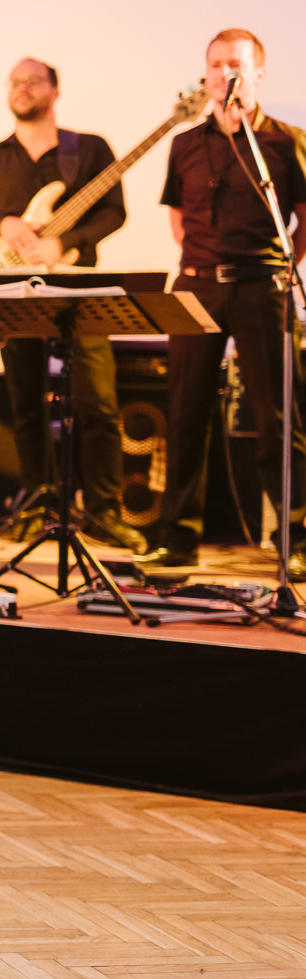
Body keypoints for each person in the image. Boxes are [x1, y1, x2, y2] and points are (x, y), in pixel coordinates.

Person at [0, 58, 145, 553]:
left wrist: (67, 243)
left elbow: (115, 212)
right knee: (26, 405)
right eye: (14, 81)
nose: (21, 88)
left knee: (98, 404)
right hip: (15, 290)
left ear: (55, 90)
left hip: (77, 290)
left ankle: (104, 511)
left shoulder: (90, 149)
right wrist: (2, 224)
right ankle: (38, 504)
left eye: (33, 80)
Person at [141, 28, 306, 577]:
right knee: (185, 413)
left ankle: (295, 538)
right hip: (197, 286)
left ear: (258, 73)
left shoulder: (285, 140)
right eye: (214, 64)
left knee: (277, 416)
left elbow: (303, 219)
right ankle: (177, 539)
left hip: (263, 286)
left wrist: (279, 266)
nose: (222, 73)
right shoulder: (185, 142)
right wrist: (205, 265)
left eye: (234, 64)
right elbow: (177, 220)